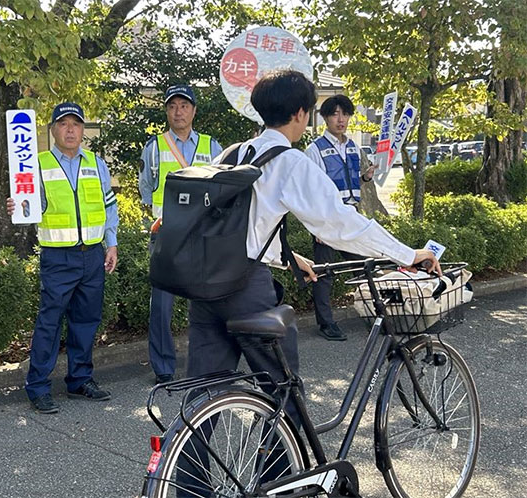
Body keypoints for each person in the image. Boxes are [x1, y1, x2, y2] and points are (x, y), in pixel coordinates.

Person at [175, 70, 440, 496]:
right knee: (284, 392)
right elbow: (340, 226)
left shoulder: (232, 153)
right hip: (247, 292)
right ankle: (282, 486)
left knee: (202, 400)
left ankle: (187, 488)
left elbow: (240, 228)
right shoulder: (289, 160)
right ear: (300, 113)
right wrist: (408, 254)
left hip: (206, 290)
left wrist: (288, 257)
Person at [7, 102, 118, 414]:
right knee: (50, 322)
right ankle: (38, 386)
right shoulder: (37, 164)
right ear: (53, 129)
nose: (70, 130)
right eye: (63, 124)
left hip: (93, 255)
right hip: (58, 257)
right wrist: (18, 209)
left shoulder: (97, 164)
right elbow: (28, 208)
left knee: (86, 320)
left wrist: (112, 244)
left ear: (83, 129)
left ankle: (80, 379)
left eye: (76, 124)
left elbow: (109, 208)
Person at [138, 84, 222, 385]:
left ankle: (206, 364)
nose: (178, 111)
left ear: (194, 110)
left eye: (184, 105)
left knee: (206, 301)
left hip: (203, 236)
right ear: (167, 111)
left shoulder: (212, 147)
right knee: (161, 305)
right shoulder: (155, 146)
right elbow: (146, 187)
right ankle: (163, 369)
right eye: (172, 105)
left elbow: (221, 187)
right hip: (167, 235)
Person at [304, 94, 375, 341]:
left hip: (350, 217)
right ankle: (326, 323)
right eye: (334, 114)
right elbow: (310, 192)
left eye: (344, 113)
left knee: (363, 265)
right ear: (324, 117)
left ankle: (375, 315)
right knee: (324, 274)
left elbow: (351, 182)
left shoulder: (353, 146)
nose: (340, 119)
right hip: (327, 221)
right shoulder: (314, 150)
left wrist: (365, 178)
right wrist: (318, 228)